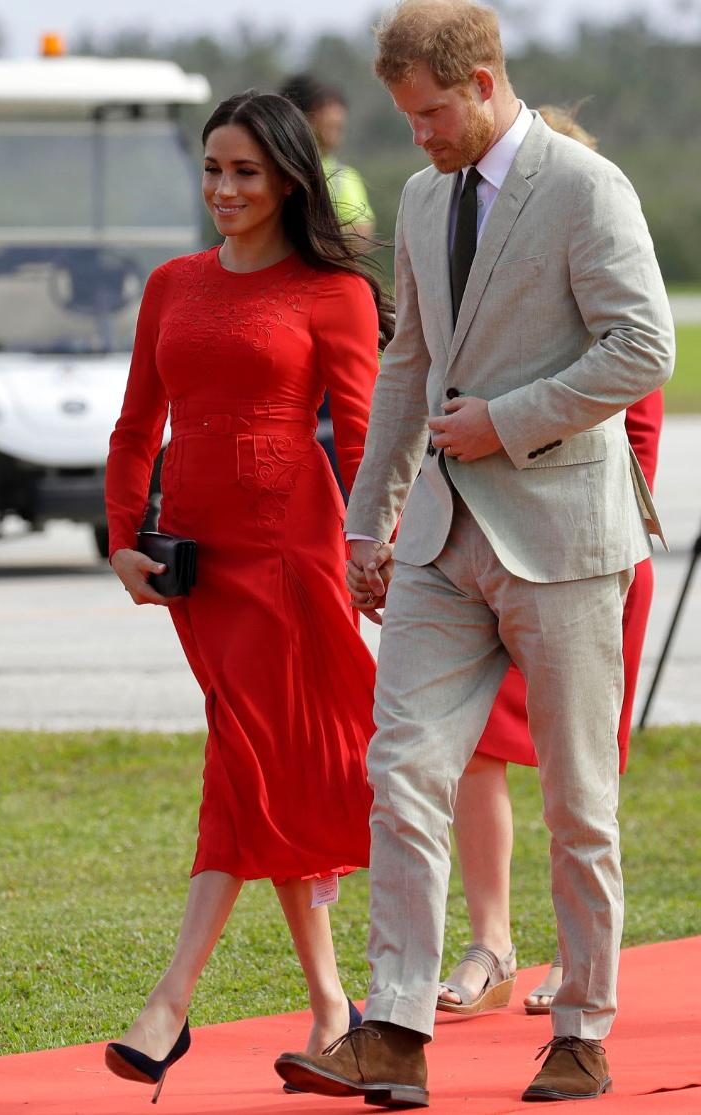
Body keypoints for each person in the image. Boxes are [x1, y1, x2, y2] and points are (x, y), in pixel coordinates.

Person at [274, 0, 674, 1107]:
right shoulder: (415, 195)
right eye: (402, 116)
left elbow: (643, 346)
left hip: (565, 538)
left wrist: (509, 417)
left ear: (485, 77)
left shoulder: (585, 189)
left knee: (576, 801)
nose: (418, 135)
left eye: (431, 112)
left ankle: (582, 1029)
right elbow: (405, 369)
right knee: (399, 767)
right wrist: (366, 520)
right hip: (440, 544)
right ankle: (393, 1030)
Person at [103, 90, 393, 1102]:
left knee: (244, 755)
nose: (223, 189)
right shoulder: (171, 284)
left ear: (285, 180)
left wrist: (375, 549)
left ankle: (168, 1005)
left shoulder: (334, 293)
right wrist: (119, 538)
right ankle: (329, 1008)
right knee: (256, 756)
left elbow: (359, 440)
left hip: (293, 556)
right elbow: (136, 425)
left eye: (244, 172)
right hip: (200, 564)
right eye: (212, 169)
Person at [437, 106, 665, 1018]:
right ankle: (490, 940)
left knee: (581, 780)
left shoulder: (612, 321)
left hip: (583, 552)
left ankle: (581, 972)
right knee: (474, 748)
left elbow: (636, 440)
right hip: (482, 552)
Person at [281, 73, 376, 238]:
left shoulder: (344, 176)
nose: (337, 118)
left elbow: (360, 234)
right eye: (324, 107)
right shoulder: (274, 168)